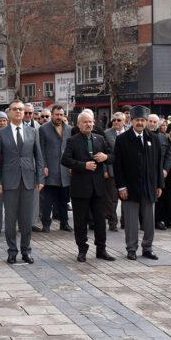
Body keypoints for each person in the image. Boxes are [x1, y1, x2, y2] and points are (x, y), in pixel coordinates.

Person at [0, 101, 44, 265]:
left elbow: (39, 157)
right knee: (11, 219)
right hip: (9, 181)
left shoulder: (33, 131)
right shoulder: (1, 133)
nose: (19, 112)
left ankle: (26, 251)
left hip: (28, 181)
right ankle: (12, 251)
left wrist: (40, 178)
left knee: (27, 219)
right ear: (9, 113)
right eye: (15, 109)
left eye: (21, 109)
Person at [61, 112, 114, 262]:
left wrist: (105, 157)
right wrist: (83, 165)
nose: (88, 124)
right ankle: (82, 249)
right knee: (80, 221)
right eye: (85, 122)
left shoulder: (100, 139)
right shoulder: (73, 140)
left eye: (90, 122)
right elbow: (65, 160)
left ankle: (101, 249)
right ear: (78, 124)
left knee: (100, 220)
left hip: (98, 187)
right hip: (80, 188)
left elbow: (112, 156)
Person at [113, 106, 163, 260]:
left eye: (142, 120)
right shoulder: (122, 139)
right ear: (131, 121)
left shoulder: (154, 138)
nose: (140, 123)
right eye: (137, 120)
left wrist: (159, 184)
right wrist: (121, 186)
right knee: (131, 221)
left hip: (149, 186)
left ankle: (147, 248)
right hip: (130, 187)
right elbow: (118, 166)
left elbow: (158, 163)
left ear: (147, 121)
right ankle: (131, 249)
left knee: (149, 220)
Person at [38, 105, 72, 232]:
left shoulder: (69, 129)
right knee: (47, 200)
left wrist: (71, 165)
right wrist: (44, 166)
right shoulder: (43, 129)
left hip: (65, 170)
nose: (59, 117)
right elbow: (41, 149)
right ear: (52, 115)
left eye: (61, 115)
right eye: (56, 114)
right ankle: (46, 224)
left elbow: (71, 149)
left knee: (64, 200)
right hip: (50, 170)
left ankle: (64, 223)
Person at [147, 114, 171, 230]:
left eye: (154, 122)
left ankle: (157, 220)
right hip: (147, 173)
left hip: (160, 173)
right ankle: (145, 222)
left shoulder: (163, 137)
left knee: (160, 198)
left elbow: (168, 154)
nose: (152, 124)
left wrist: (165, 169)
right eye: (150, 121)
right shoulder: (143, 136)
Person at [103, 112, 125, 231]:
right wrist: (105, 170)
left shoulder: (129, 132)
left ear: (124, 121)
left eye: (118, 120)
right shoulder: (106, 133)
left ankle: (125, 222)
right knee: (112, 199)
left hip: (126, 170)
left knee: (127, 197)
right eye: (114, 120)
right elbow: (104, 152)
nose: (116, 122)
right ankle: (112, 222)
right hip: (111, 169)